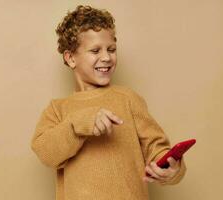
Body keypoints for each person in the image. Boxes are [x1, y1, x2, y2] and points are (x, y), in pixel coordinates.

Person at [30, 4, 186, 200]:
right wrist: (78, 124)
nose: (106, 57)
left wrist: (171, 166)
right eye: (95, 51)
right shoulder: (58, 109)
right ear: (70, 58)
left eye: (111, 49)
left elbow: (156, 147)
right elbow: (46, 153)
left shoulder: (128, 99)